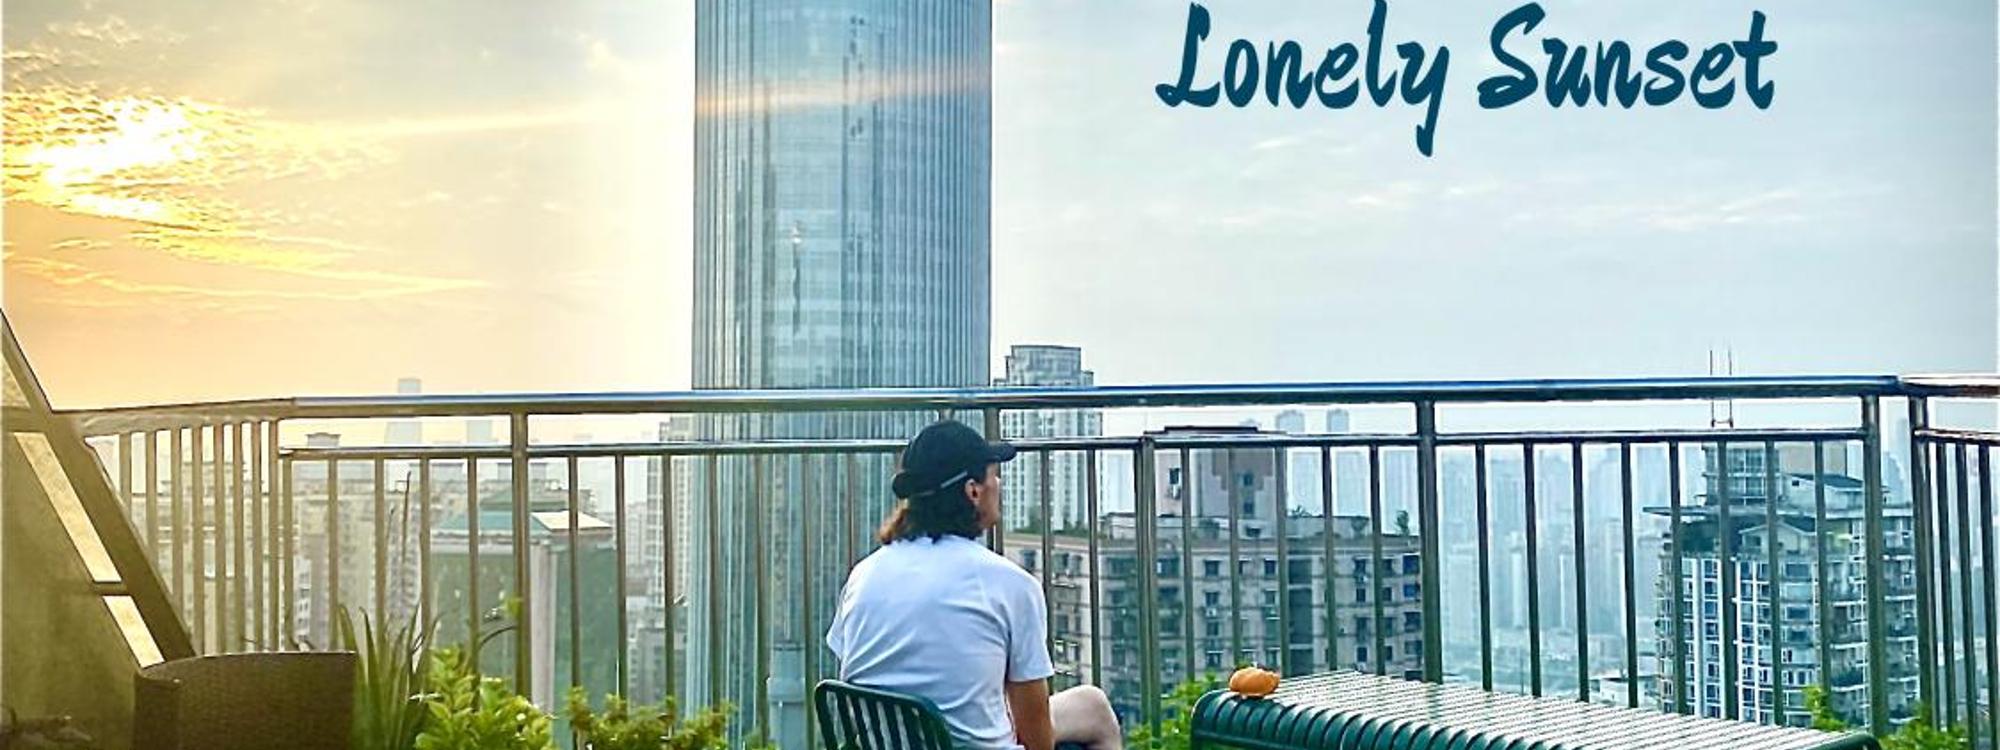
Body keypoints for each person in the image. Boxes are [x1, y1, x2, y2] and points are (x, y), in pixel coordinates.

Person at [826, 420, 1122, 750]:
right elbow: (1036, 738)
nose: (999, 484)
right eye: (994, 475)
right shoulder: (1010, 584)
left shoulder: (863, 576)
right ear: (973, 491)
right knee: (1094, 709)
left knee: (1085, 706)